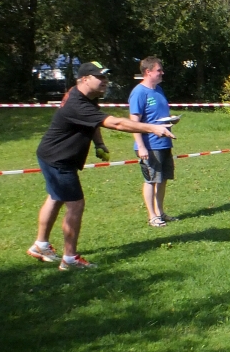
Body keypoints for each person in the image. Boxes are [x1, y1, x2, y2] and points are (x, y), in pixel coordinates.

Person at [27, 62, 175, 269]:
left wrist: (99, 143)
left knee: (55, 198)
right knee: (75, 204)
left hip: (52, 155)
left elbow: (93, 121)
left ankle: (40, 245)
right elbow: (116, 123)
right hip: (59, 159)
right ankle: (70, 258)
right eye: (100, 77)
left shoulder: (86, 96)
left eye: (106, 77)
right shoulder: (77, 103)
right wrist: (152, 128)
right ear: (85, 79)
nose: (105, 81)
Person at [129, 56, 177, 227]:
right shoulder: (139, 92)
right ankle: (152, 216)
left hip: (164, 143)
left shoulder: (158, 90)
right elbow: (134, 123)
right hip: (149, 145)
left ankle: (160, 212)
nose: (162, 72)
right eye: (159, 70)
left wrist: (171, 121)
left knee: (162, 179)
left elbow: (158, 116)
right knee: (151, 180)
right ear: (148, 72)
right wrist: (141, 146)